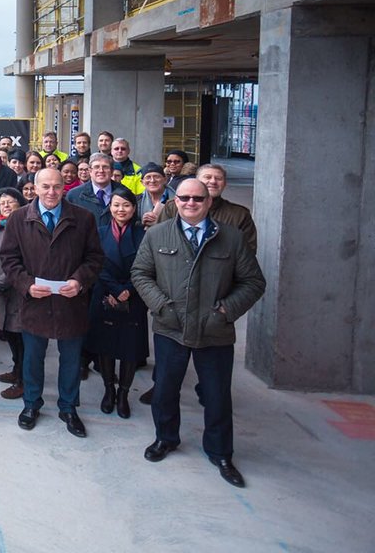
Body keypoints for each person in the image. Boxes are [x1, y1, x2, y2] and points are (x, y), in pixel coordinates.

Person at [132, 178, 266, 487]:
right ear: (174, 201)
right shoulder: (157, 235)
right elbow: (140, 273)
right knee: (165, 389)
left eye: (197, 198)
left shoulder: (230, 238)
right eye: (185, 198)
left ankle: (220, 452)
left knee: (217, 395)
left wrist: (225, 311)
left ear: (208, 202)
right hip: (170, 328)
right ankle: (166, 438)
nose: (191, 203)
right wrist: (160, 306)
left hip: (214, 331)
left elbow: (253, 282)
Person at [0, 168, 104, 438]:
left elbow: (94, 258)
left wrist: (79, 281)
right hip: (35, 303)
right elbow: (9, 259)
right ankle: (32, 404)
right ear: (34, 187)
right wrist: (27, 285)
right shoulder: (20, 219)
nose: (51, 192)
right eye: (45, 186)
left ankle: (68, 407)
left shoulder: (83, 218)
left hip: (71, 304)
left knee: (70, 361)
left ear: (64, 187)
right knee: (33, 359)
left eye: (57, 186)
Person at [86, 187, 149, 420]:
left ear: (134, 209)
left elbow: (148, 266)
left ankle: (123, 394)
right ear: (109, 208)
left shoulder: (145, 234)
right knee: (106, 346)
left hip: (135, 296)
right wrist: (114, 289)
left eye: (126, 205)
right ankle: (108, 390)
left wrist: (128, 290)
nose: (121, 209)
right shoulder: (99, 232)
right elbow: (94, 262)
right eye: (116, 205)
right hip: (105, 294)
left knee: (129, 349)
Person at [156, 163, 257, 254]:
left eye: (218, 178)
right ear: (197, 181)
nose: (213, 181)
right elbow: (159, 240)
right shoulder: (173, 207)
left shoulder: (239, 215)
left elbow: (247, 253)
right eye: (207, 177)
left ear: (224, 184)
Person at [0, 187, 26, 400]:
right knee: (9, 333)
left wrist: (1, 283)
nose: (7, 205)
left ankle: (23, 379)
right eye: (2, 203)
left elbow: (20, 260)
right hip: (1, 293)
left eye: (11, 201)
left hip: (19, 291)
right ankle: (16, 369)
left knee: (21, 338)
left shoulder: (25, 227)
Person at [67, 152, 115, 225]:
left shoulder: (124, 194)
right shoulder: (74, 195)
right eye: (96, 167)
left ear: (112, 171)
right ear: (90, 171)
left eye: (105, 167)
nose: (101, 171)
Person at [137, 162, 173, 228]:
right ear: (142, 182)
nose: (152, 180)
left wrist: (160, 221)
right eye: (148, 177)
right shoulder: (137, 200)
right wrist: (143, 222)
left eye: (156, 177)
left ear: (165, 180)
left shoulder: (177, 199)